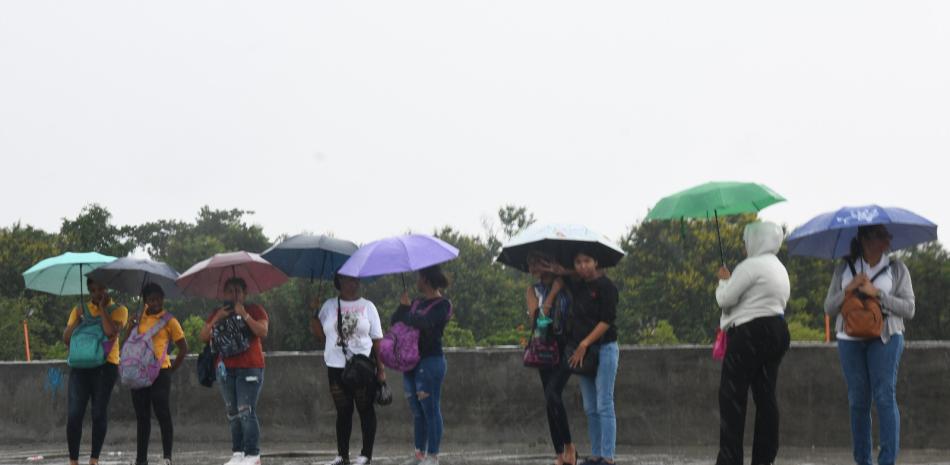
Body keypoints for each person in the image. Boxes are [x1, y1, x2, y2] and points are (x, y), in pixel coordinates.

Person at [824, 224, 915, 465]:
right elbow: (829, 307)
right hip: (849, 339)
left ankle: (887, 461)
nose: (888, 239)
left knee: (885, 396)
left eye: (888, 235)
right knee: (858, 400)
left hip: (885, 337)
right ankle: (862, 460)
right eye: (881, 235)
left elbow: (909, 309)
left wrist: (878, 293)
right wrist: (849, 288)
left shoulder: (897, 269)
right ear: (865, 239)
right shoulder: (844, 268)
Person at [713, 221, 791, 465]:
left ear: (756, 240)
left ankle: (730, 459)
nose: (745, 246)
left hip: (750, 334)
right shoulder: (779, 268)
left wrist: (724, 280)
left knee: (732, 398)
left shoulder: (750, 266)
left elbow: (725, 300)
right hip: (777, 330)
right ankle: (764, 458)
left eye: (747, 240)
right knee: (765, 397)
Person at [542, 251, 619, 465]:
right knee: (590, 406)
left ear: (596, 261)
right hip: (582, 352)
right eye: (578, 262)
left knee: (604, 402)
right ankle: (596, 454)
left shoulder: (606, 286)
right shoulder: (578, 286)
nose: (583, 266)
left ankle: (607, 456)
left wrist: (585, 343)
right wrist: (562, 270)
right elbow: (566, 277)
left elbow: (607, 320)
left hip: (603, 348)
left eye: (587, 261)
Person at [312, 274, 386, 465]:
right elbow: (320, 335)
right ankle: (342, 455)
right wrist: (314, 312)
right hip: (336, 367)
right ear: (340, 282)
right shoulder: (329, 306)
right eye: (349, 279)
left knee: (365, 409)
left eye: (356, 280)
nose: (354, 283)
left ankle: (365, 455)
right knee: (343, 411)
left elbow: (377, 339)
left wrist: (381, 369)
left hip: (362, 367)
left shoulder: (368, 306)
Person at [200, 277, 269, 465]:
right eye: (230, 290)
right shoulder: (218, 312)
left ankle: (253, 454)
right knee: (232, 413)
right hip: (225, 369)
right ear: (224, 294)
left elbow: (262, 331)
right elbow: (203, 336)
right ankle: (237, 453)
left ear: (245, 293)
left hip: (250, 366)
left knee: (246, 410)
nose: (234, 294)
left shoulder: (255, 309)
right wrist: (217, 318)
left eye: (238, 290)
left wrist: (244, 314)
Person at [64, 277, 128, 465]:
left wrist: (101, 309)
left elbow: (110, 332)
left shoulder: (119, 310)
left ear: (107, 288)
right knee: (74, 414)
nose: (97, 294)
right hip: (80, 366)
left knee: (98, 412)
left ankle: (94, 459)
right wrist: (77, 321)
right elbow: (66, 338)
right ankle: (73, 460)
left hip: (105, 366)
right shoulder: (79, 309)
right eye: (93, 290)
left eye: (101, 289)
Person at [392, 265, 453, 465]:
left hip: (431, 362)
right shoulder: (416, 302)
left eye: (419, 277)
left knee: (430, 409)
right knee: (417, 411)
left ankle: (433, 456)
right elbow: (396, 321)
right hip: (411, 361)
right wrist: (403, 307)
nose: (416, 281)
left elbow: (424, 323)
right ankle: (419, 453)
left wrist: (407, 314)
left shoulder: (443, 304)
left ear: (425, 279)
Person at [126, 283, 189, 465]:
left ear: (163, 299)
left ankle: (167, 457)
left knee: (162, 412)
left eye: (158, 299)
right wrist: (131, 327)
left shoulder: (170, 321)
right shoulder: (138, 320)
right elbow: (126, 343)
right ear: (145, 301)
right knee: (142, 416)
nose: (155, 302)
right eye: (151, 299)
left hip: (160, 372)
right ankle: (141, 459)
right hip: (139, 372)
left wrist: (170, 370)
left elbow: (183, 348)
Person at [525, 252, 577, 465]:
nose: (534, 267)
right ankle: (559, 454)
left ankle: (570, 446)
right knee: (549, 399)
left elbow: (592, 275)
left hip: (567, 346)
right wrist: (553, 294)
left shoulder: (568, 284)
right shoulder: (532, 290)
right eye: (531, 263)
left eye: (538, 261)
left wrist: (562, 275)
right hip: (544, 347)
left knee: (553, 393)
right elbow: (538, 321)